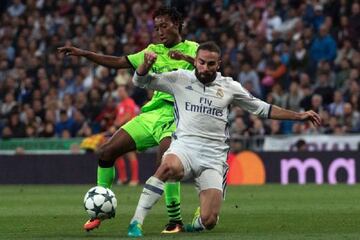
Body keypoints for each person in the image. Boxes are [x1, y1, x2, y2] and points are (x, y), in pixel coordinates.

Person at [127, 41, 321, 237]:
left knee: (209, 221)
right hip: (184, 146)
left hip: (213, 156)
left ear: (218, 64)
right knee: (167, 166)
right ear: (196, 61)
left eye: (211, 64)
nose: (205, 67)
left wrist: (299, 115)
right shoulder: (179, 79)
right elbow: (140, 81)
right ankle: (136, 222)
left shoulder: (229, 86)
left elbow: (263, 108)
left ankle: (197, 222)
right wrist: (145, 65)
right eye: (201, 62)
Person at [58, 7, 198, 233]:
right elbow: (118, 61)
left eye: (165, 26)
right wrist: (85, 53)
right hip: (151, 115)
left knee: (166, 163)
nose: (160, 32)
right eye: (157, 28)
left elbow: (210, 71)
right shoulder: (152, 50)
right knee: (106, 151)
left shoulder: (194, 49)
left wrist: (185, 58)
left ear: (178, 24)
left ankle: (175, 221)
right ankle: (100, 209)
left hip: (178, 115)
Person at [113, 85, 140, 186]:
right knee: (116, 154)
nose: (119, 93)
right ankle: (123, 178)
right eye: (118, 91)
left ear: (126, 92)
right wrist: (115, 125)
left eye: (121, 91)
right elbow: (118, 117)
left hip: (130, 131)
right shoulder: (120, 105)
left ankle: (134, 179)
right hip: (121, 132)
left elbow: (128, 116)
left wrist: (116, 124)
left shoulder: (129, 102)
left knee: (130, 154)